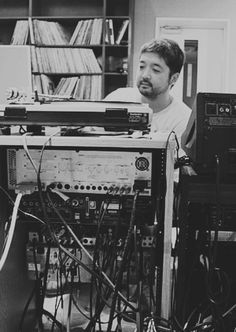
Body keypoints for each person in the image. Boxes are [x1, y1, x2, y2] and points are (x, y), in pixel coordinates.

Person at [104, 38, 192, 154]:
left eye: (155, 70)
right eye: (141, 66)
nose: (145, 75)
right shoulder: (117, 98)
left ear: (173, 78)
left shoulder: (183, 120)